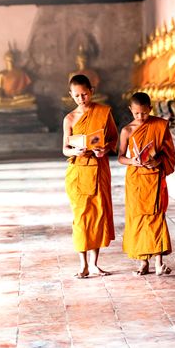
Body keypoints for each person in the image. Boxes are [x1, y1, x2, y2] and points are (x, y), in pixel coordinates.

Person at [63, 74, 118, 278]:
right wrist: (75, 151)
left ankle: (94, 264)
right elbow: (65, 149)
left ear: (91, 91)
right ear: (71, 95)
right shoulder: (69, 119)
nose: (81, 99)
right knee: (81, 218)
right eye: (76, 96)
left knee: (98, 216)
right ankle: (83, 265)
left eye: (84, 94)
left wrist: (105, 149)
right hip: (79, 173)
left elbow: (113, 139)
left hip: (99, 168)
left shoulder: (103, 112)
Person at [118, 92, 175, 276]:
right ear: (130, 110)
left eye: (143, 113)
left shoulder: (159, 125)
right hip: (135, 179)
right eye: (136, 114)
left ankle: (159, 263)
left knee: (156, 217)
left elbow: (168, 153)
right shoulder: (127, 130)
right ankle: (143, 262)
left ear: (150, 109)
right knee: (138, 219)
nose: (140, 117)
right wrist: (133, 161)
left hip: (154, 177)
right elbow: (120, 157)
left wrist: (157, 161)